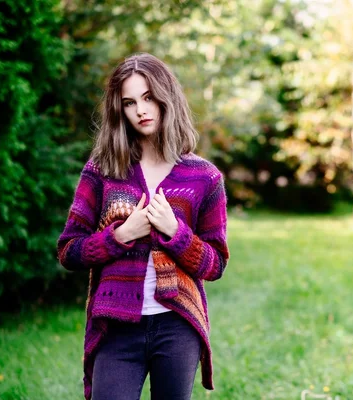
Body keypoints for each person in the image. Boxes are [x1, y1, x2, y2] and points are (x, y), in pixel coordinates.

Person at [57, 53, 230, 400]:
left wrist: (175, 234)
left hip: (177, 325)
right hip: (118, 323)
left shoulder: (204, 178)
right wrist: (120, 236)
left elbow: (215, 264)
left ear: (167, 97)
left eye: (149, 97)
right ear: (119, 110)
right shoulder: (103, 170)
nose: (141, 110)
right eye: (130, 102)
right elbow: (68, 251)